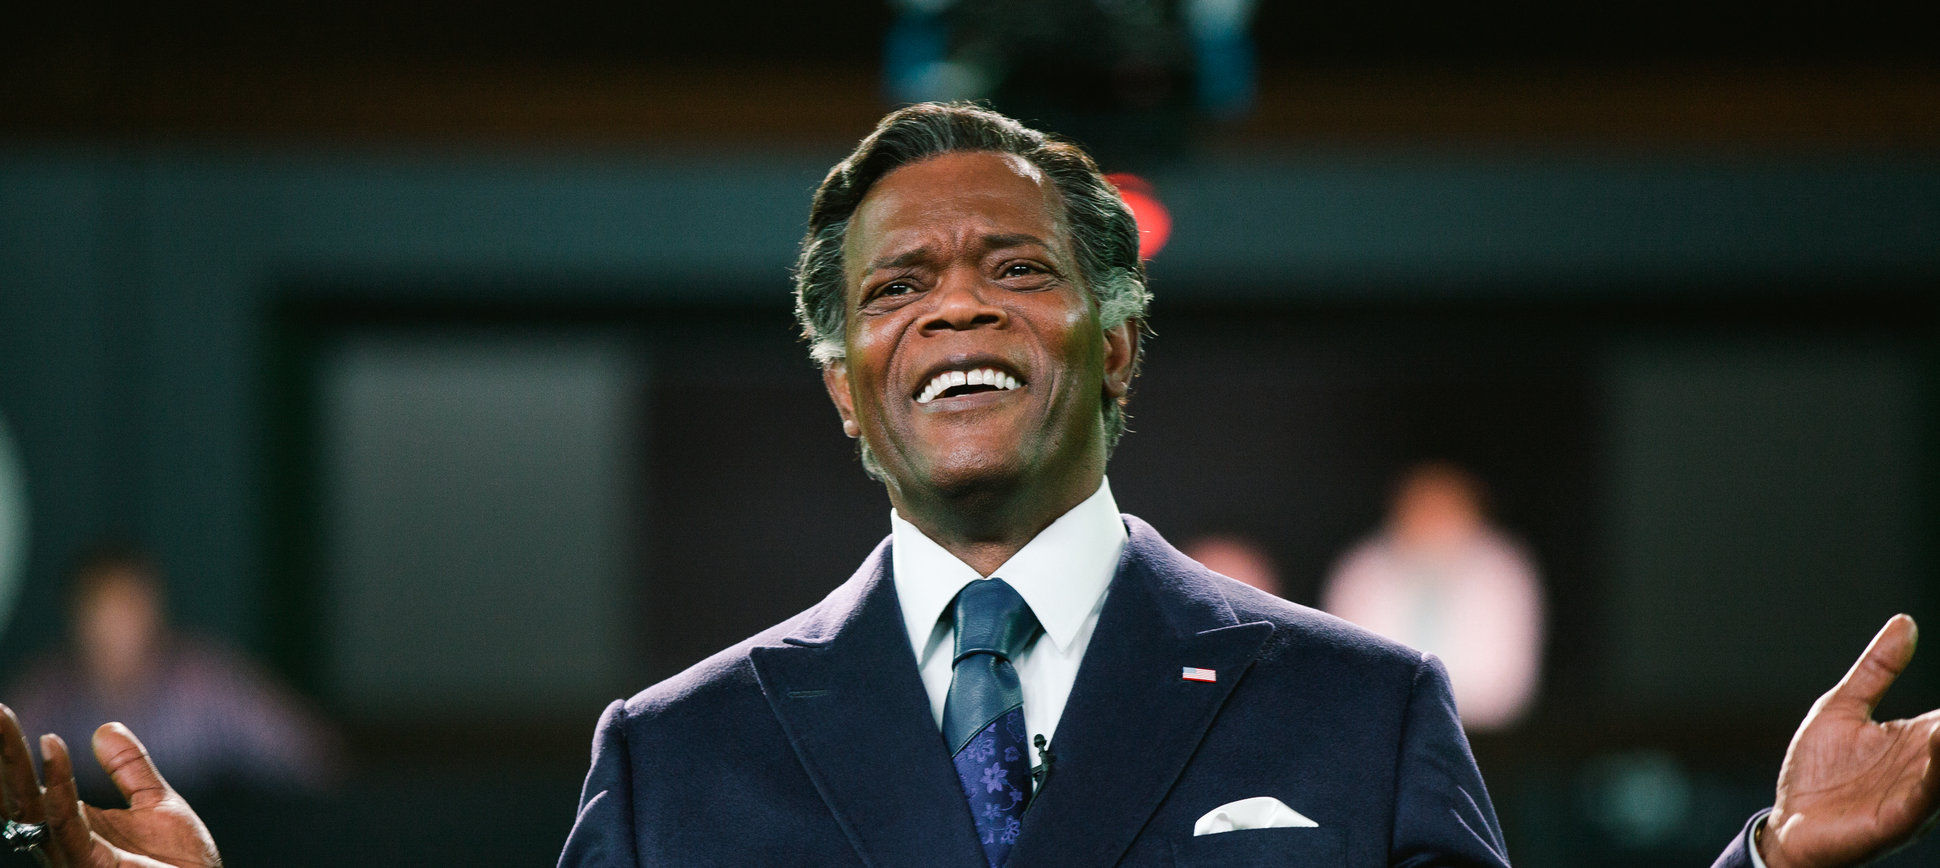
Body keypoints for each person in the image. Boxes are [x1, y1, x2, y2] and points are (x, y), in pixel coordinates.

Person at [1, 102, 1936, 868]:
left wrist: (1770, 865)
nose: (956, 305)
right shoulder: (673, 760)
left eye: (1016, 265)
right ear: (847, 384)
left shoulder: (1360, 711)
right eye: (896, 286)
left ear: (1118, 343)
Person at [4, 545, 340, 803]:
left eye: (125, 606)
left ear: (154, 609)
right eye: (97, 610)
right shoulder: (49, 689)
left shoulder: (204, 683)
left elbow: (307, 756)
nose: (112, 627)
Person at [1322, 462, 1544, 731]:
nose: (1431, 520)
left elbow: (1504, 681)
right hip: (1381, 725)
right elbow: (1351, 663)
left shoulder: (1502, 568)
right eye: (1421, 508)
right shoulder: (1363, 567)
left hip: (1481, 730)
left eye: (1444, 509)